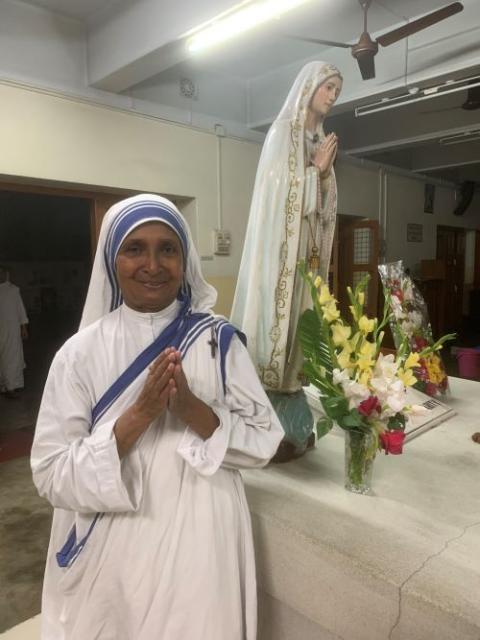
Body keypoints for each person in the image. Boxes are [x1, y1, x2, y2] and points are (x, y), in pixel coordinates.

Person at [31, 194, 283, 640]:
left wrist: (191, 410)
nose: (153, 263)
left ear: (184, 260)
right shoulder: (79, 355)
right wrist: (139, 416)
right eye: (135, 249)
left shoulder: (216, 342)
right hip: (114, 557)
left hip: (202, 554)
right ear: (112, 259)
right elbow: (51, 475)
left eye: (168, 248)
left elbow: (265, 440)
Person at [231, 61, 343, 456]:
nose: (332, 96)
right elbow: (277, 198)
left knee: (300, 333)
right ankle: (268, 422)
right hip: (280, 258)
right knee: (275, 333)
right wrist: (315, 174)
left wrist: (324, 177)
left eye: (336, 91)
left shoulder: (317, 139)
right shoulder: (283, 133)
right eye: (328, 87)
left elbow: (323, 206)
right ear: (309, 87)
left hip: (305, 262)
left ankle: (293, 414)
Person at [0, 264, 29, 398]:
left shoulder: (13, 290)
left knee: (11, 357)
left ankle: (11, 386)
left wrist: (23, 327)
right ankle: (7, 386)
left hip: (12, 329)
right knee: (6, 358)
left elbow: (20, 309)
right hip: (5, 330)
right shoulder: (8, 290)